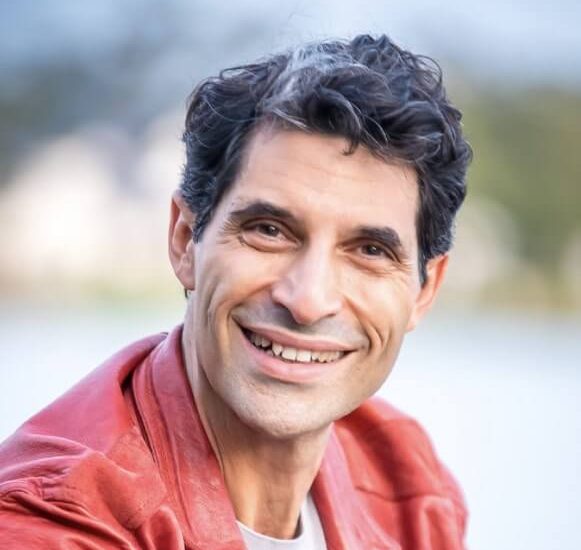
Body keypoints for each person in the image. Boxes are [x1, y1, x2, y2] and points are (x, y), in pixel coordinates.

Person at [0, 34, 472, 549]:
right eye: (269, 231)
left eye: (370, 251)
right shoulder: (52, 522)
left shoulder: (409, 491)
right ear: (185, 240)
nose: (307, 300)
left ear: (424, 291)